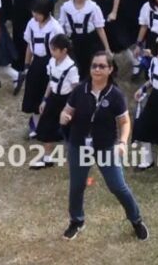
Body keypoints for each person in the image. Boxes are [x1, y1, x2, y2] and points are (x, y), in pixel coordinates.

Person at [59, 50, 147, 241]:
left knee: (117, 186)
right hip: (79, 145)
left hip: (106, 147)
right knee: (76, 186)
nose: (97, 69)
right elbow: (66, 111)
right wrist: (64, 117)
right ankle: (77, 221)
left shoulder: (115, 95)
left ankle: (136, 220)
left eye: (102, 66)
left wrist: (123, 143)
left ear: (110, 69)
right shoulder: (79, 91)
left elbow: (124, 122)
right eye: (94, 66)